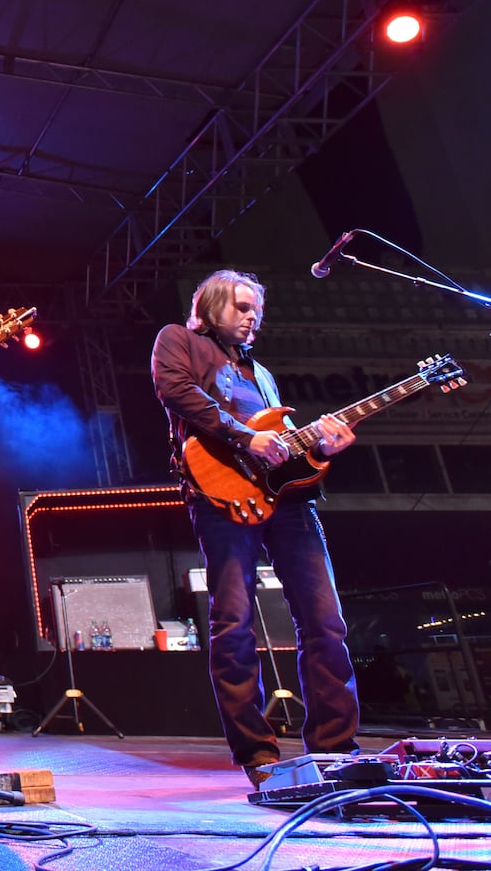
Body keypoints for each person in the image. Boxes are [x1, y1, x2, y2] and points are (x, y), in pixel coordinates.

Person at [151, 268, 361, 788]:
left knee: (326, 621)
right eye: (244, 308)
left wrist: (321, 447)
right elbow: (175, 391)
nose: (253, 318)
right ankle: (258, 755)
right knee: (234, 623)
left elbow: (283, 444)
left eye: (257, 312)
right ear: (213, 304)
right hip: (221, 495)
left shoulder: (261, 373)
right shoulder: (180, 340)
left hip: (288, 503)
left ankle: (335, 750)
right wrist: (246, 437)